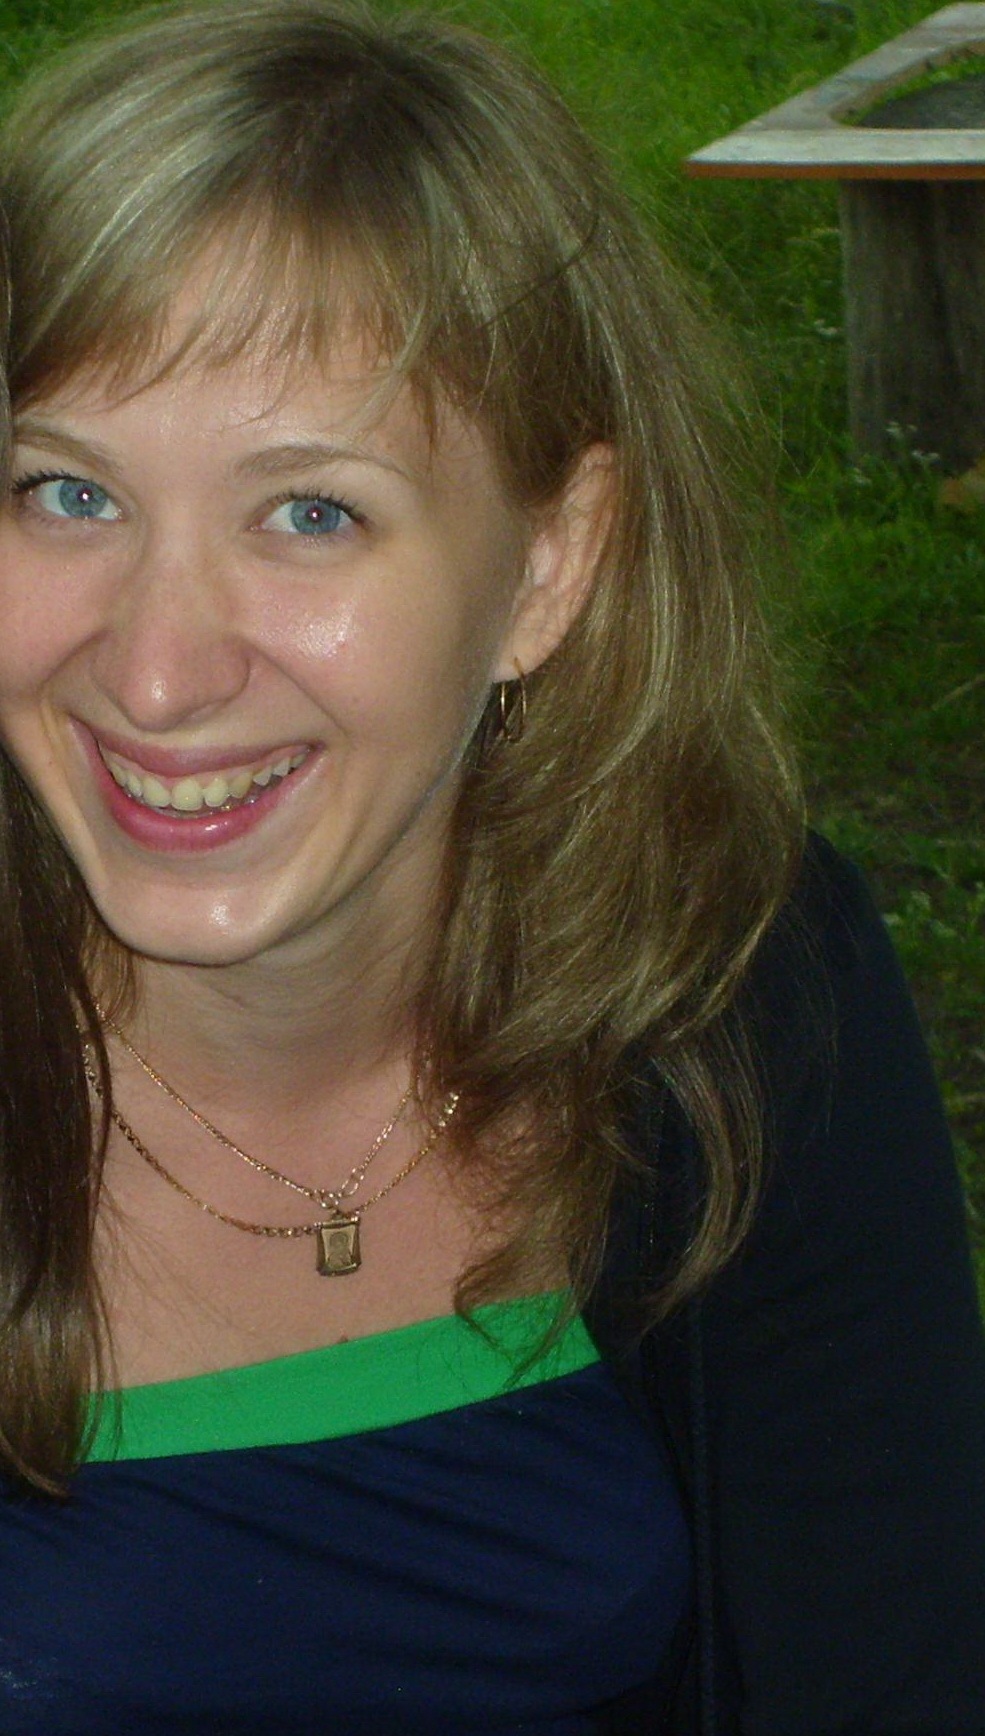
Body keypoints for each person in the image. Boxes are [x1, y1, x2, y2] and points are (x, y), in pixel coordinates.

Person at [0, 2, 981, 1730]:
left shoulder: (736, 987)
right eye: (66, 494)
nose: (155, 673)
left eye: (311, 512)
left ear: (548, 565)